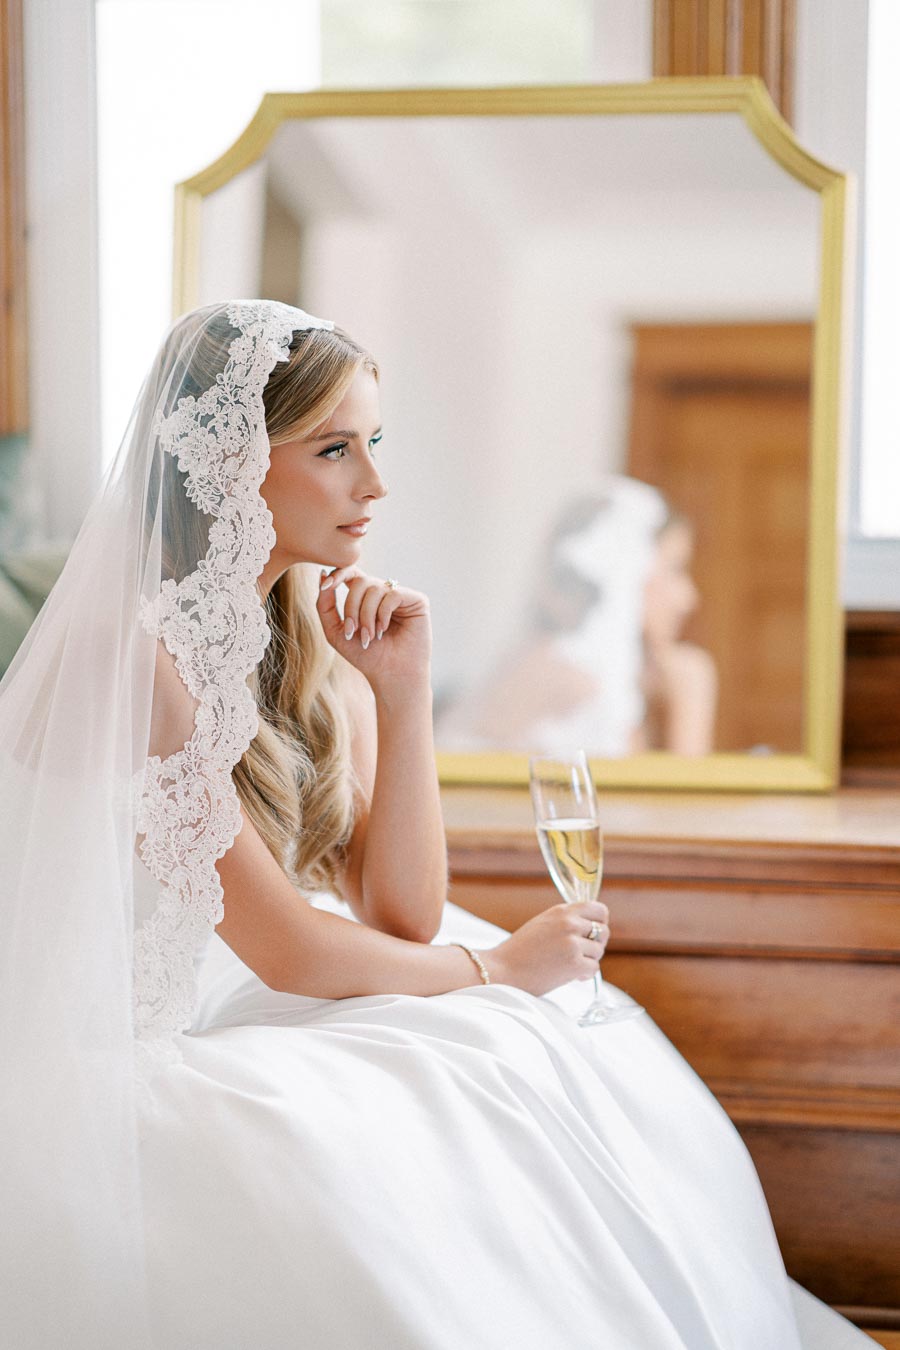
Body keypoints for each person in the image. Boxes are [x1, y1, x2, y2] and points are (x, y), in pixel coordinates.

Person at [0, 300, 868, 1349]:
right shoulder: (135, 662)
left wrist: (399, 697)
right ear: (230, 466)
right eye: (333, 448)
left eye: (375, 442)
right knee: (466, 1055)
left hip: (240, 989)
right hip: (110, 1051)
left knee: (516, 1044)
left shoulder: (306, 648)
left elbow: (402, 915)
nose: (374, 483)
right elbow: (284, 945)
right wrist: (501, 966)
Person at [436, 478, 718, 757]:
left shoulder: (563, 664)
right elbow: (634, 803)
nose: (688, 598)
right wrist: (692, 701)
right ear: (624, 572)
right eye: (675, 569)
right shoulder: (578, 682)